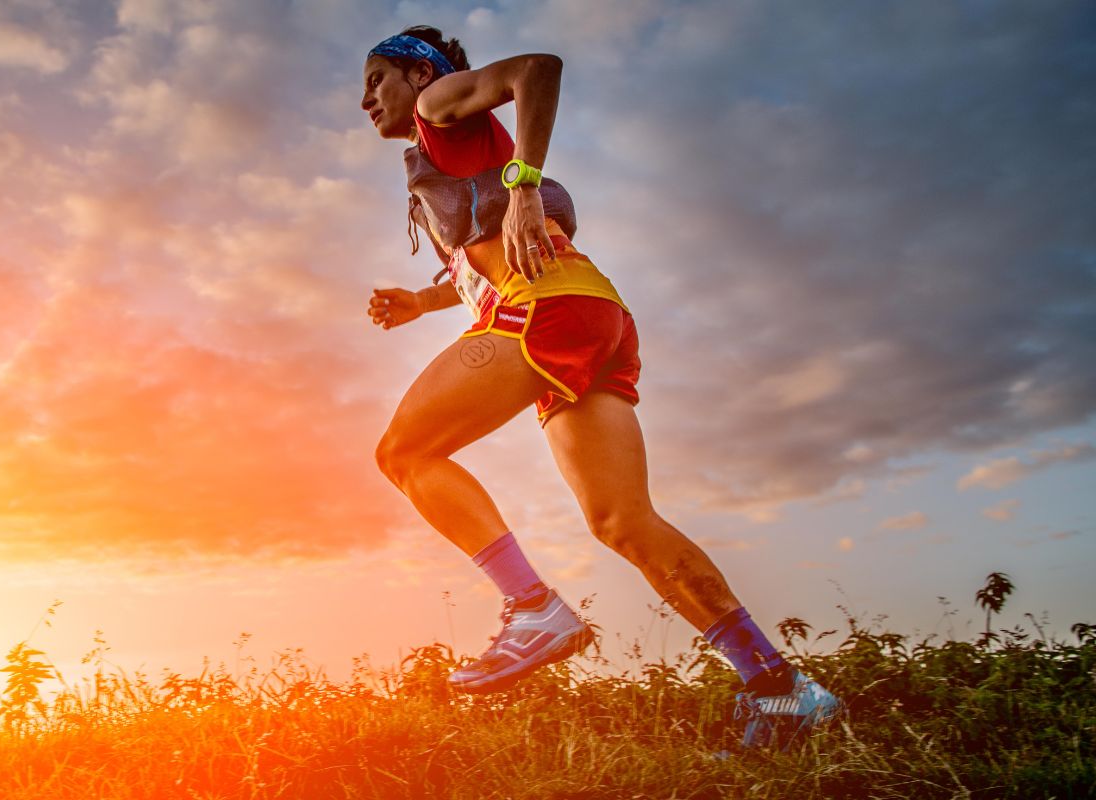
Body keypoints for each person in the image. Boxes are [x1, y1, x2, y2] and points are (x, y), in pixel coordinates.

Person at [359, 26, 839, 749]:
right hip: (595, 314)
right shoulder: (444, 156)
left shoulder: (440, 103)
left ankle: (533, 608)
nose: (366, 98)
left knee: (404, 453)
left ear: (416, 72)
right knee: (623, 523)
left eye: (376, 78)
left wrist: (523, 186)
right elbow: (479, 264)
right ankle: (779, 691)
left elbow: (536, 69)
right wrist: (418, 301)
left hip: (546, 309)